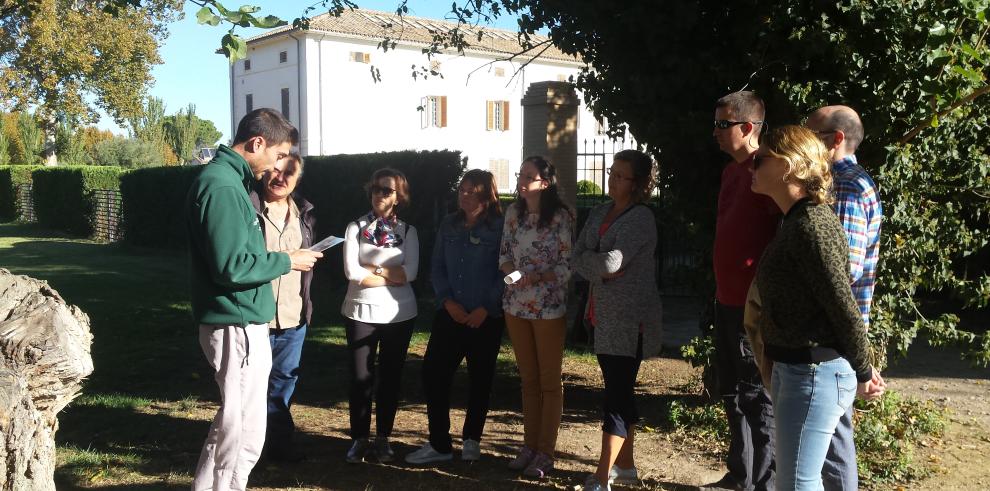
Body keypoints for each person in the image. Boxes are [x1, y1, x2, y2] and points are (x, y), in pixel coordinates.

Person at [186, 108, 322, 491]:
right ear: (257, 143)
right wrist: (287, 260)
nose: (278, 166)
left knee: (236, 425)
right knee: (241, 431)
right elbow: (232, 266)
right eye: (279, 155)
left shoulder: (227, 180)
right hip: (236, 321)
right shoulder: (223, 185)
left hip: (240, 319)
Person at [750, 125, 883, 491]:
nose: (752, 165)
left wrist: (864, 369)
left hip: (813, 372)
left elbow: (843, 305)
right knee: (797, 480)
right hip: (797, 369)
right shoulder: (795, 220)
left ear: (788, 166)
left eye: (760, 158)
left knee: (797, 483)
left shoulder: (811, 225)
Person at [805, 105, 886, 490]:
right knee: (829, 436)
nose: (805, 144)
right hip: (833, 336)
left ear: (836, 140)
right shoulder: (836, 183)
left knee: (833, 439)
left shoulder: (848, 187)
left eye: (811, 135)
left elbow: (843, 272)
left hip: (833, 339)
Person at [574, 150, 664, 491]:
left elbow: (613, 262)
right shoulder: (599, 211)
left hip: (630, 322)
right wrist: (596, 266)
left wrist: (594, 265)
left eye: (620, 175)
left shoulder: (641, 218)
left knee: (616, 395)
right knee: (620, 392)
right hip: (601, 316)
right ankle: (624, 466)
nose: (611, 178)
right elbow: (578, 255)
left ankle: (601, 476)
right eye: (611, 172)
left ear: (638, 183)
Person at [704, 91, 779, 491]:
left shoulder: (767, 170)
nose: (715, 132)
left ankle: (765, 482)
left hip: (753, 307)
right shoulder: (732, 171)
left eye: (722, 125)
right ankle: (740, 476)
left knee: (757, 396)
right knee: (731, 392)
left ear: (748, 128)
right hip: (725, 300)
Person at [405, 169, 506, 464]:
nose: (465, 195)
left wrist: (486, 308)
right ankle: (440, 443)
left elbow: (507, 271)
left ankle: (472, 439)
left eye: (473, 191)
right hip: (451, 313)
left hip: (486, 317)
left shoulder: (500, 228)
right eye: (462, 189)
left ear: (487, 196)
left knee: (481, 378)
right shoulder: (449, 224)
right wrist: (447, 301)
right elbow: (437, 267)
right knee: (434, 374)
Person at [499, 156, 574, 479]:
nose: (522, 180)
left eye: (529, 175)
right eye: (521, 174)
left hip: (547, 307)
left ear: (545, 183)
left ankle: (546, 451)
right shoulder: (513, 213)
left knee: (548, 381)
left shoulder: (560, 217)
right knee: (528, 380)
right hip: (515, 305)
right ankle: (529, 446)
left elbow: (566, 265)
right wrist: (513, 274)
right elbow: (503, 254)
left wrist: (537, 278)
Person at [341, 167, 419, 464]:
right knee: (360, 376)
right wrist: (388, 273)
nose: (379, 195)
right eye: (375, 189)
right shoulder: (355, 227)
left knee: (390, 377)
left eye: (386, 190)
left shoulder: (408, 232)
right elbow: (351, 272)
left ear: (399, 198)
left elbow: (411, 272)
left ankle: (384, 438)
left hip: (399, 315)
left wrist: (370, 272)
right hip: (360, 310)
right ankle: (360, 438)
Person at [249, 152, 316, 463]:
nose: (281, 177)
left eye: (290, 173)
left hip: (293, 316)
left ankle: (277, 443)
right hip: (255, 316)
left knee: (284, 381)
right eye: (276, 170)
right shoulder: (249, 209)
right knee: (252, 385)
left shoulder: (304, 214)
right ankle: (253, 444)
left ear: (297, 179)